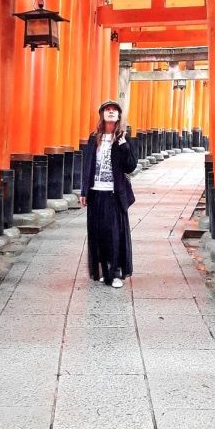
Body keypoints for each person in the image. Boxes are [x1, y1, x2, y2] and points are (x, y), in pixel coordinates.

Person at [80, 100, 138, 288]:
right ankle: (104, 271)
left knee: (114, 234)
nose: (111, 112)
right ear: (102, 115)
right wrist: (84, 191)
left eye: (114, 110)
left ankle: (115, 274)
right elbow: (88, 165)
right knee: (98, 234)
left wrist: (124, 147)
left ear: (119, 116)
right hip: (96, 193)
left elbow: (130, 167)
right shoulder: (93, 138)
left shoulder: (123, 138)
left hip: (114, 193)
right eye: (108, 110)